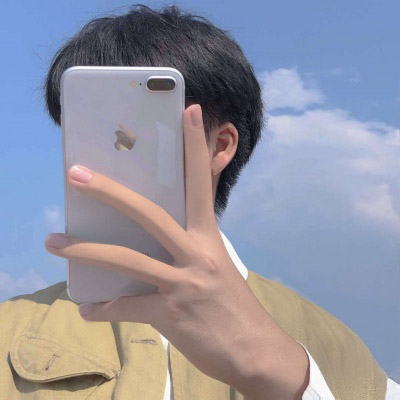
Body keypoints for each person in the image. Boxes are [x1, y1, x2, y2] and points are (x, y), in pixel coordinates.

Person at [1, 4, 399, 400]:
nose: (116, 150)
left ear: (220, 146)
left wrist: (280, 375)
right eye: (89, 129)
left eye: (141, 130)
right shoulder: (9, 330)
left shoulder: (342, 352)